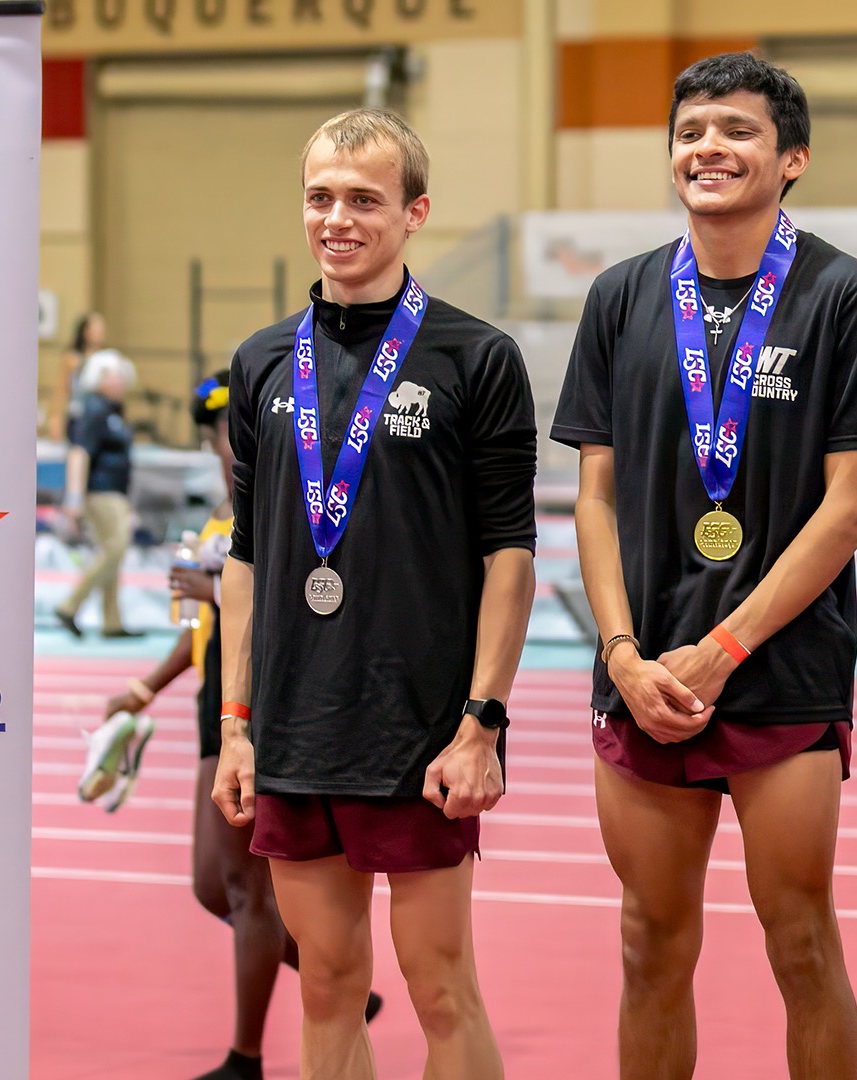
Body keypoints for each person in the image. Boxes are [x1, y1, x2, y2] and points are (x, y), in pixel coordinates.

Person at [551, 52, 857, 1080]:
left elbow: (848, 511)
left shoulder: (844, 295)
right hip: (643, 669)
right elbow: (593, 498)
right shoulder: (621, 296)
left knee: (800, 941)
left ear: (792, 157)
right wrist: (622, 655)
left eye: (738, 130)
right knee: (648, 945)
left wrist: (722, 650)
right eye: (691, 131)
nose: (708, 147)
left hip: (779, 667)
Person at [213, 107, 536, 1080]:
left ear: (414, 212)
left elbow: (510, 557)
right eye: (320, 198)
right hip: (294, 725)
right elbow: (247, 559)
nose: (337, 219)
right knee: (326, 983)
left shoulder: (475, 358)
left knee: (441, 989)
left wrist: (482, 724)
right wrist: (235, 724)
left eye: (363, 199)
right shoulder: (262, 361)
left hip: (421, 726)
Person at [81, 373, 385, 1079]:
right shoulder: (223, 517)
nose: (223, 446)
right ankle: (338, 976)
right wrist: (144, 689)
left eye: (231, 431)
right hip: (212, 702)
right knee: (211, 886)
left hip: (259, 706)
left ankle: (245, 1058)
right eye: (214, 434)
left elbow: (309, 596)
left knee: (248, 890)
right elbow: (204, 630)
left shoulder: (300, 501)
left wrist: (216, 588)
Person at [56, 348, 143, 639]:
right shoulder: (94, 409)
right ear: (100, 378)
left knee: (112, 554)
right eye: (114, 375)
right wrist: (74, 499)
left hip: (114, 492)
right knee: (114, 550)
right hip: (101, 492)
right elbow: (79, 453)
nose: (121, 381)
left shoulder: (110, 410)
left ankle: (112, 621)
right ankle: (69, 605)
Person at [54, 310, 108, 440]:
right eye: (96, 329)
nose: (100, 333)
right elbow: (61, 391)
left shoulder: (106, 359)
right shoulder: (72, 359)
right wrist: (56, 420)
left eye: (102, 329)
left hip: (100, 417)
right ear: (86, 331)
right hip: (79, 417)